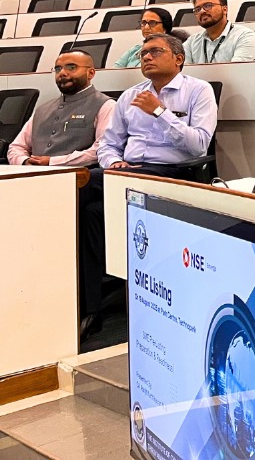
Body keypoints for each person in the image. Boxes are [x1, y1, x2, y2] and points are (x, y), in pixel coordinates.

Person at [79, 33, 218, 334]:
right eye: (143, 54)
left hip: (172, 173)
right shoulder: (130, 95)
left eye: (155, 51)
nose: (146, 57)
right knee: (89, 211)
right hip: (125, 172)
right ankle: (90, 309)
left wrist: (159, 111)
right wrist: (112, 163)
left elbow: (199, 146)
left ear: (178, 58)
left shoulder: (198, 91)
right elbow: (108, 144)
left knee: (80, 188)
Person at [7, 49, 115, 167]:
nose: (62, 73)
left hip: (77, 178)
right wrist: (24, 161)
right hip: (31, 175)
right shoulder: (42, 109)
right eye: (58, 69)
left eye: (71, 67)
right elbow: (16, 147)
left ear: (90, 73)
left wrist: (52, 162)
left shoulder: (105, 105)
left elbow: (103, 149)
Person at [183, 0, 255, 63]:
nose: (202, 11)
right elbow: (182, 72)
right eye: (197, 9)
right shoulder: (192, 42)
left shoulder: (244, 36)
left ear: (225, 9)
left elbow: (238, 71)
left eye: (208, 6)